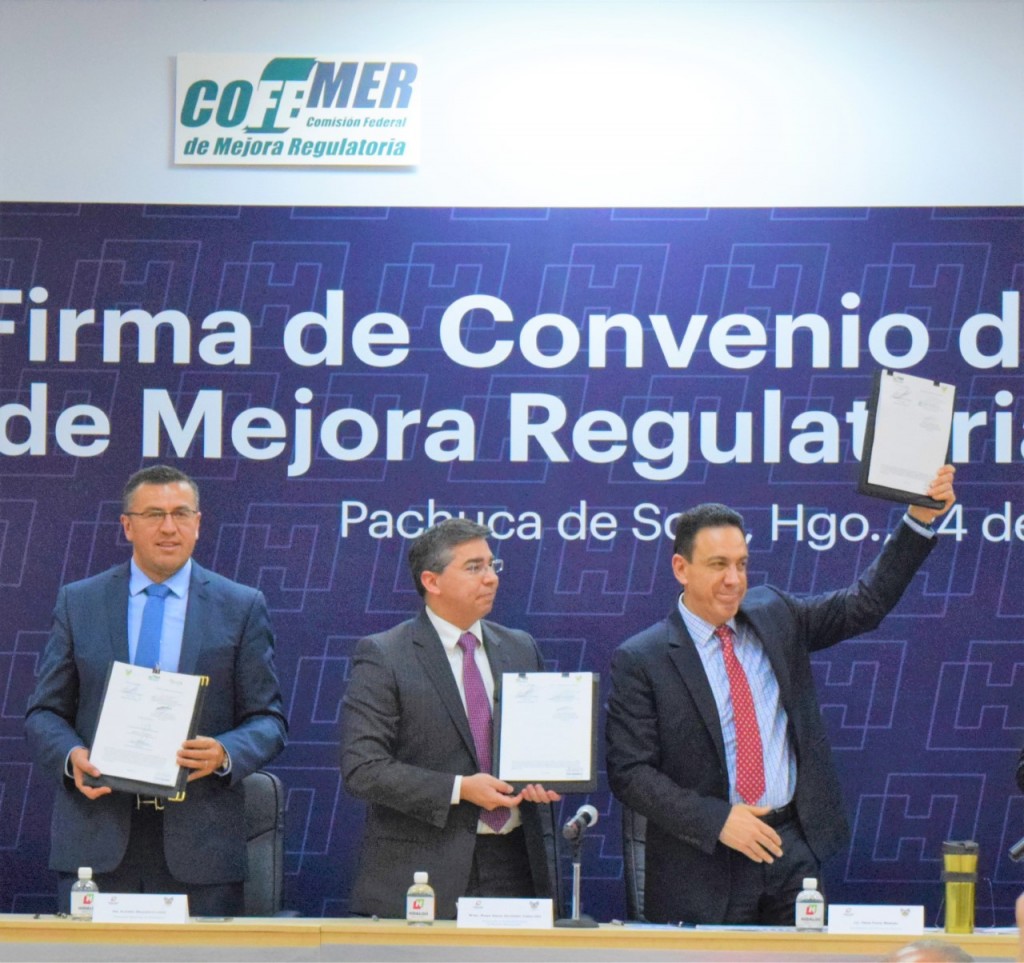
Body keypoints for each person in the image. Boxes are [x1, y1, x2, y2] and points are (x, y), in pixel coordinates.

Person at [606, 466, 957, 926]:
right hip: (704, 862)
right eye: (718, 565)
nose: (734, 579)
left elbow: (863, 605)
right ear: (681, 569)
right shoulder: (642, 657)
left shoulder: (775, 614)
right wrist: (718, 820)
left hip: (791, 849)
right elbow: (630, 773)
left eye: (741, 564)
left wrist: (918, 520)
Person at [25, 465, 287, 916]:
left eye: (181, 514)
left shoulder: (241, 606)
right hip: (98, 838)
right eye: (153, 515)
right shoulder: (79, 602)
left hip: (201, 847)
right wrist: (72, 757)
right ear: (127, 525)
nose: (169, 527)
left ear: (198, 524)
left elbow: (269, 720)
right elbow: (44, 712)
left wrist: (224, 752)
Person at [340, 518, 560, 919]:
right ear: (432, 581)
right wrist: (460, 789)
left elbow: (539, 746)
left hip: (518, 864)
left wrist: (546, 777)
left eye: (492, 565)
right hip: (426, 870)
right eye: (474, 567)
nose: (491, 578)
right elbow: (363, 769)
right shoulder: (385, 655)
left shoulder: (520, 647)